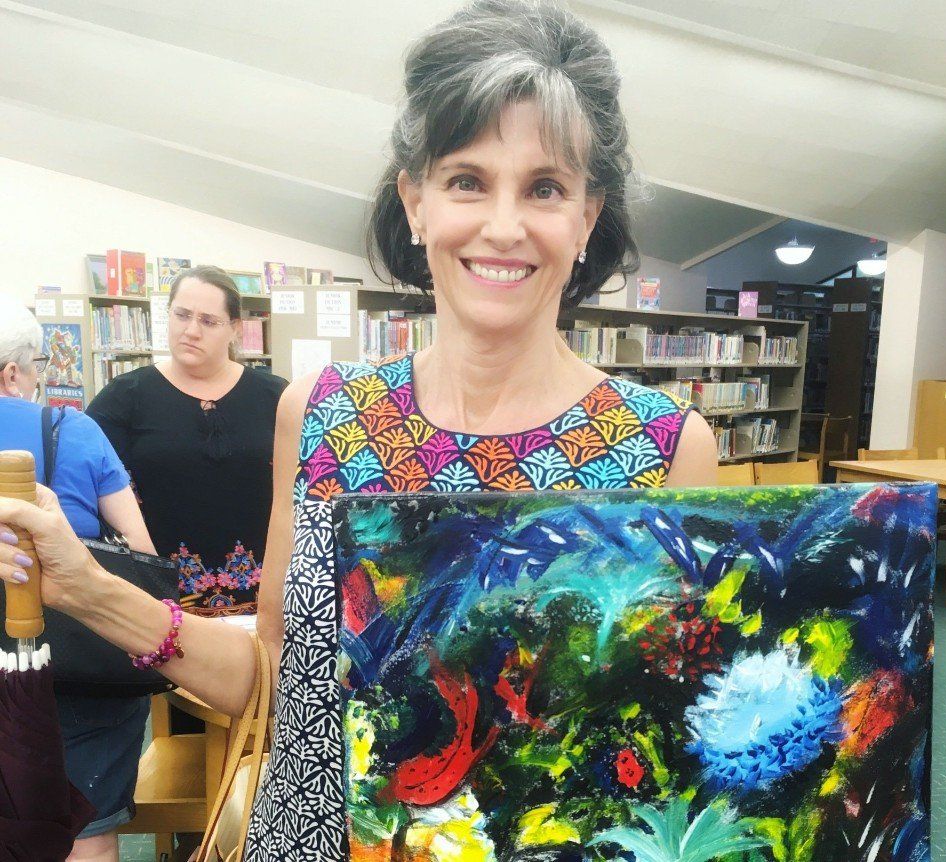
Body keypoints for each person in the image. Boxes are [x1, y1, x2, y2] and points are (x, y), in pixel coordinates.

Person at [0, 2, 717, 858]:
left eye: (545, 188)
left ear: (587, 218)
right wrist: (86, 588)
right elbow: (275, 683)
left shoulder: (664, 448)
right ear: (415, 201)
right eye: (466, 179)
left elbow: (669, 746)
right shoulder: (321, 414)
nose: (503, 225)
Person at [0, 295, 156, 862]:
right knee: (89, 830)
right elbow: (141, 550)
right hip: (77, 663)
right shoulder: (73, 429)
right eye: (38, 368)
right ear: (13, 373)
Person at [87, 266, 288, 617]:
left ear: (235, 328)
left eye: (208, 321)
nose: (191, 331)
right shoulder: (124, 397)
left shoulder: (277, 396)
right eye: (181, 315)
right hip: (157, 601)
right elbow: (89, 484)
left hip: (266, 601)